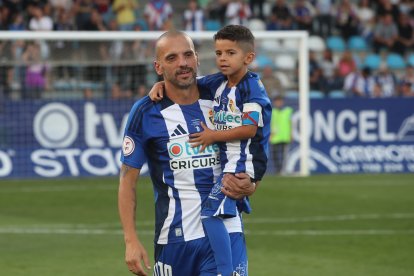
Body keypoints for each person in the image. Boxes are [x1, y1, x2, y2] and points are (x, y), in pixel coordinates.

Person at [119, 31, 256, 276]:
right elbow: (127, 179)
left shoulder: (223, 97)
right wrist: (130, 240)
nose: (182, 63)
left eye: (188, 55)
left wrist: (251, 183)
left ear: (197, 59)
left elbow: (250, 144)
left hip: (225, 230)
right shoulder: (145, 111)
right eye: (172, 58)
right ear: (158, 67)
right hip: (173, 239)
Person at [150, 25, 271, 276]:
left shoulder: (251, 88)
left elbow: (249, 129)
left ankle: (224, 270)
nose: (223, 59)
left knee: (209, 213)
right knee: (217, 211)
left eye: (230, 53)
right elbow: (185, 83)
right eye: (218, 53)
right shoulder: (221, 84)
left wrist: (212, 136)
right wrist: (159, 85)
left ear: (248, 58)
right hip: (231, 164)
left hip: (243, 164)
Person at [270, 95, 292, 175]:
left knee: (283, 154)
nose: (279, 103)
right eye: (277, 101)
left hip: (284, 136)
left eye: (280, 101)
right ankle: (278, 169)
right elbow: (270, 124)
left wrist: (291, 134)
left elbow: (290, 123)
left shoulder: (288, 111)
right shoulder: (272, 111)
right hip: (275, 136)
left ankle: (282, 170)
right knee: (275, 154)